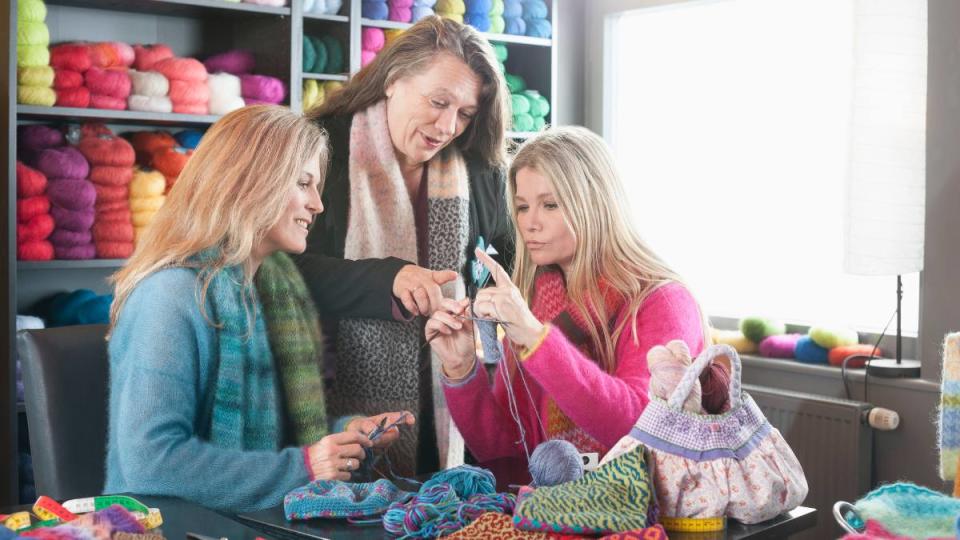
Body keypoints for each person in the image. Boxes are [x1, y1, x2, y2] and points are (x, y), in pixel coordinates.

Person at [105, 106, 413, 513]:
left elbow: (275, 443)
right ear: (250, 183)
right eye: (303, 183)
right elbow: (151, 465)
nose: (317, 204)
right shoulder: (168, 296)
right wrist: (306, 466)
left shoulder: (271, 290)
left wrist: (343, 439)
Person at [297, 16, 514, 475]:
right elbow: (281, 271)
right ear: (393, 79)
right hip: (333, 413)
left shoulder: (479, 168)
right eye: (438, 102)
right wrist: (388, 277)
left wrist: (482, 307)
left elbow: (502, 257)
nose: (448, 125)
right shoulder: (319, 148)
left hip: (450, 405)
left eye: (466, 113)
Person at [426, 126, 714, 465]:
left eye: (549, 205)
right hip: (554, 510)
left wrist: (537, 339)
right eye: (521, 207)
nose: (530, 223)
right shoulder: (538, 306)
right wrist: (460, 369)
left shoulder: (662, 301)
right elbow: (507, 455)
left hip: (647, 511)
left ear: (594, 205)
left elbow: (641, 430)